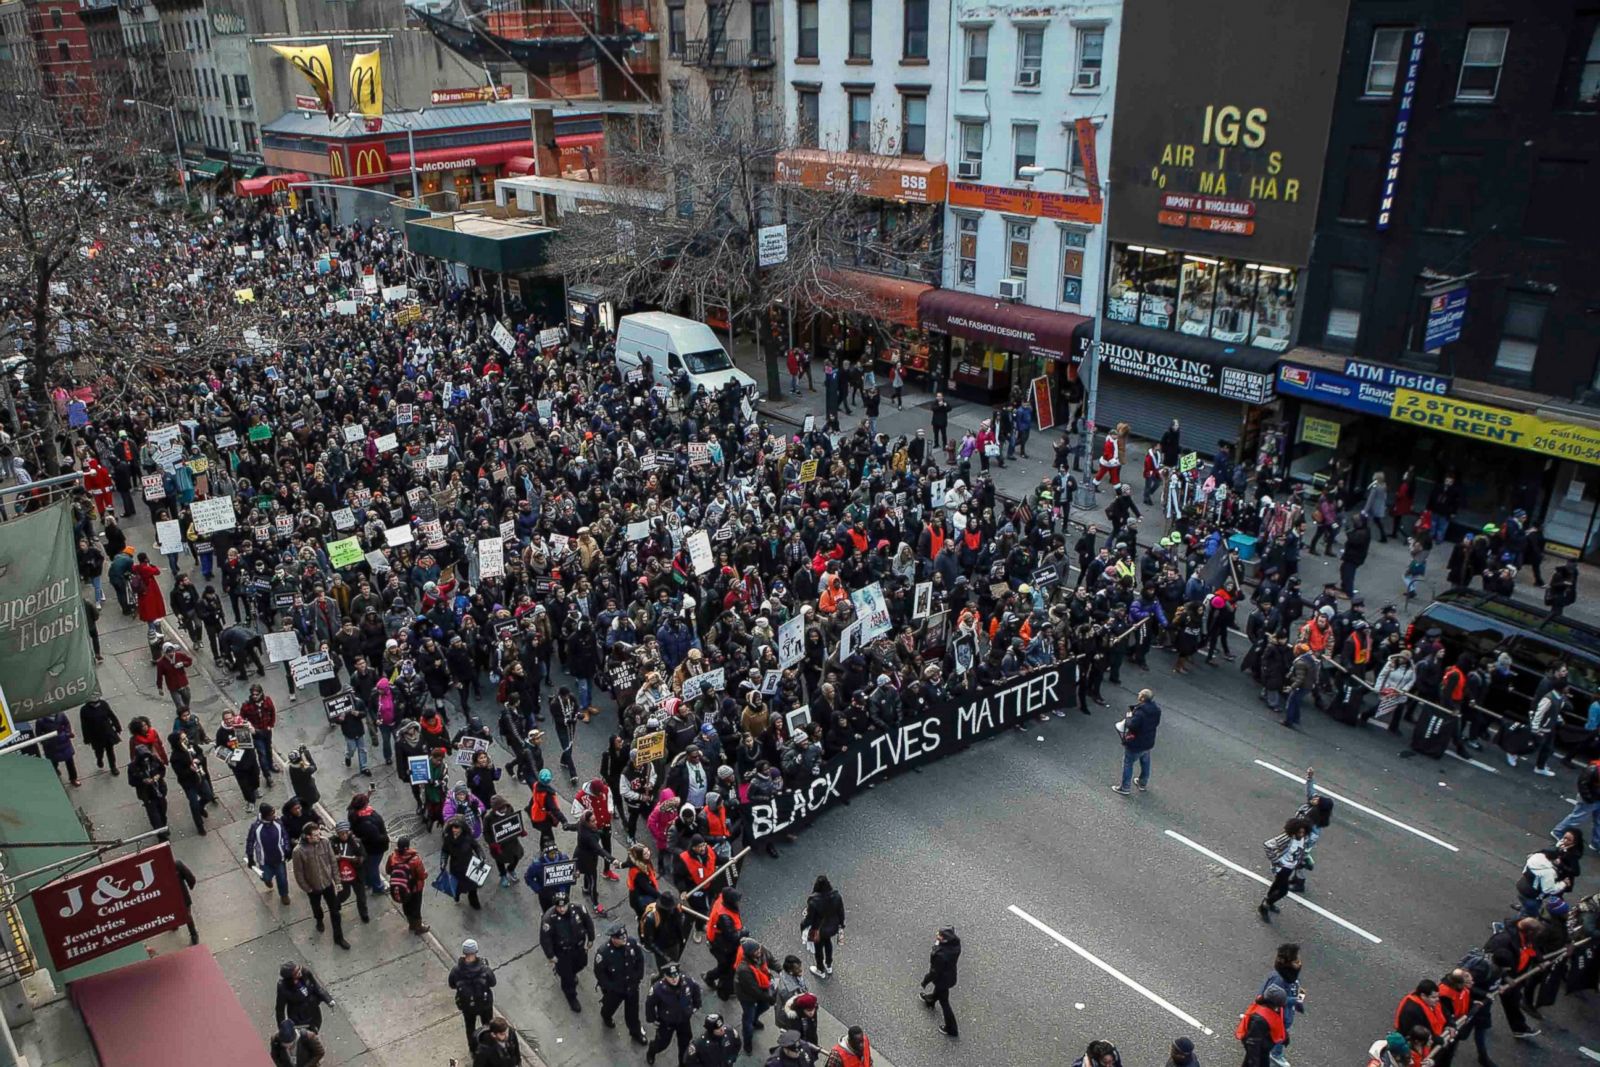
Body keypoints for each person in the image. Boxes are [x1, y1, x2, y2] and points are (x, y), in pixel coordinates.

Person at [292, 823, 349, 950]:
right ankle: (319, 919)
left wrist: (337, 881)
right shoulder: (298, 851)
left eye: (319, 833)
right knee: (316, 906)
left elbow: (332, 862)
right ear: (308, 837)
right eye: (316, 835)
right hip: (313, 887)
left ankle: (339, 938)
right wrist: (308, 889)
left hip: (328, 884)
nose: (319, 836)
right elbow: (299, 873)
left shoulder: (325, 842)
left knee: (335, 912)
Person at [594, 922, 649, 1045]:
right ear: (613, 939)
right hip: (615, 989)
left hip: (631, 986)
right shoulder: (604, 952)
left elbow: (640, 960)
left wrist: (638, 977)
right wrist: (610, 986)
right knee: (609, 1007)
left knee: (632, 1013)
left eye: (625, 936)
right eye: (621, 938)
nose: (624, 939)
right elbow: (599, 973)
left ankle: (635, 1032)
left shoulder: (631, 944)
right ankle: (606, 1017)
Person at [539, 891, 595, 1012]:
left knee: (581, 964)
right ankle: (571, 996)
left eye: (564, 905)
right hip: (562, 953)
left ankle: (571, 973)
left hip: (579, 948)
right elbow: (545, 939)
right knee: (567, 977)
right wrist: (551, 955)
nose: (562, 909)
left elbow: (588, 923)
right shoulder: (549, 918)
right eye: (559, 906)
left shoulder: (579, 909)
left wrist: (591, 938)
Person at [645, 963, 702, 1066]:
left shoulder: (687, 981)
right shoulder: (658, 989)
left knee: (685, 1045)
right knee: (662, 1044)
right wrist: (653, 1019)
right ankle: (652, 1050)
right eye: (671, 977)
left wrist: (695, 1006)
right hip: (667, 1021)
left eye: (676, 975)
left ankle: (682, 1064)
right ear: (665, 976)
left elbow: (696, 990)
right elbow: (650, 1004)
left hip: (684, 1020)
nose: (674, 979)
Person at [449, 939, 498, 1054]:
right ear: (476, 951)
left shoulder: (456, 970)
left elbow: (451, 984)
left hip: (467, 1006)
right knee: (487, 1026)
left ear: (464, 952)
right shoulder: (484, 969)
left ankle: (473, 1049)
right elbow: (493, 983)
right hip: (484, 1004)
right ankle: (489, 1046)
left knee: (470, 1027)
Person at [1259, 943, 1304, 1067]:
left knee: (1280, 1035)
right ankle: (1273, 1055)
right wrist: (1293, 1000)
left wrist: (1298, 995)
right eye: (1296, 961)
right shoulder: (1278, 979)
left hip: (1284, 1016)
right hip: (1277, 1018)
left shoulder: (1290, 976)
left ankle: (1275, 1053)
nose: (1299, 963)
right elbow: (1270, 997)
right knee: (1276, 1036)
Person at [1258, 817, 1312, 920]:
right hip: (1282, 868)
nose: (1301, 835)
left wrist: (1301, 861)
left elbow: (1300, 851)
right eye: (1299, 832)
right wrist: (1275, 861)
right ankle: (1265, 905)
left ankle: (1269, 902)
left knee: (1276, 885)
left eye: (1303, 833)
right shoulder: (1287, 838)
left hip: (1290, 867)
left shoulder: (1303, 838)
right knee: (1283, 891)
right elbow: (1268, 845)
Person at [1112, 688, 1160, 796]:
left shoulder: (1140, 713)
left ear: (1142, 698)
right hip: (1148, 741)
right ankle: (1142, 782)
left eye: (1140, 694)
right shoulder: (1156, 710)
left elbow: (1131, 725)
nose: (1138, 695)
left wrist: (1129, 717)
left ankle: (1125, 787)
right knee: (1145, 761)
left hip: (1137, 742)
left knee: (1128, 762)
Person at [734, 938, 776, 1054]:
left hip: (761, 988)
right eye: (757, 951)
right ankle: (747, 1043)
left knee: (764, 1006)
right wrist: (770, 997)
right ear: (750, 954)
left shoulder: (760, 951)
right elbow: (754, 991)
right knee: (748, 1018)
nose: (760, 951)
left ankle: (754, 1019)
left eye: (759, 949)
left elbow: (771, 960)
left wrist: (780, 970)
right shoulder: (744, 969)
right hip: (747, 996)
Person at [918, 926, 961, 1038]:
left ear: (945, 940)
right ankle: (930, 1000)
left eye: (940, 936)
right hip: (949, 976)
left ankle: (951, 1028)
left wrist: (925, 981)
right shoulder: (955, 945)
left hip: (942, 979)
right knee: (941, 992)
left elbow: (934, 972)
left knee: (945, 1002)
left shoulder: (941, 955)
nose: (937, 935)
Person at [801, 875, 845, 979]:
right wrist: (841, 924)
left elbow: (809, 919)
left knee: (818, 948)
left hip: (818, 930)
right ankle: (829, 965)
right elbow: (841, 912)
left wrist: (802, 926)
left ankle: (820, 969)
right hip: (832, 927)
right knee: (828, 943)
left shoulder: (813, 901)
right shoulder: (837, 896)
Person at [386, 835, 430, 935]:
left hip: (402, 888)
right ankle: (418, 927)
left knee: (406, 905)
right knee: (416, 907)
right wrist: (425, 875)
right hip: (415, 888)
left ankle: (411, 924)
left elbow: (388, 871)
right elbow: (421, 875)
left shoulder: (392, 857)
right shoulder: (415, 859)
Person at [275, 962, 333, 1033]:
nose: (300, 972)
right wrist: (283, 1028)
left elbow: (316, 987)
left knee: (314, 1032)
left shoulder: (306, 973)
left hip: (314, 1013)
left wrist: (328, 999)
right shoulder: (284, 988)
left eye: (299, 969)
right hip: (299, 1020)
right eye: (296, 973)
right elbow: (280, 1010)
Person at [1237, 987, 1288, 1067]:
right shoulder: (1259, 1020)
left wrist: (1285, 1036)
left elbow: (1278, 1022)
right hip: (1260, 1046)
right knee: (1258, 1061)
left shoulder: (1272, 1009)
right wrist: (1254, 1063)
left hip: (1263, 1045)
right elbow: (1253, 1043)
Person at [1552, 757, 1600, 842]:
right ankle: (1558, 832)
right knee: (1577, 818)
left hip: (1595, 798)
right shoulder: (1594, 768)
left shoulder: (1594, 768)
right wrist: (1588, 798)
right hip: (1591, 798)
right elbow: (1583, 784)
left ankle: (1596, 843)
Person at [127, 743, 169, 833]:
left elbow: (162, 770)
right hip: (147, 794)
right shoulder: (133, 767)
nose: (146, 760)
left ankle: (163, 826)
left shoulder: (154, 760)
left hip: (159, 790)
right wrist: (143, 781)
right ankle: (161, 834)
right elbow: (131, 781)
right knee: (154, 816)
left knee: (162, 811)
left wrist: (158, 776)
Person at [35, 711, 81, 787]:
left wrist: (67, 733)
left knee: (70, 762)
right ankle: (55, 772)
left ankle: (73, 779)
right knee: (54, 763)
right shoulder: (40, 721)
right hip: (52, 747)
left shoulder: (61, 715)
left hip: (64, 743)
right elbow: (39, 735)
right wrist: (47, 743)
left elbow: (67, 724)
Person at [78, 696, 122, 774]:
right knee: (99, 751)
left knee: (110, 751)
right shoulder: (84, 710)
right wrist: (87, 738)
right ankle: (99, 759)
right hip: (95, 735)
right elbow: (84, 726)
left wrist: (117, 726)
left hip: (107, 732)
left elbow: (112, 716)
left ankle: (113, 767)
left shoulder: (103, 704)